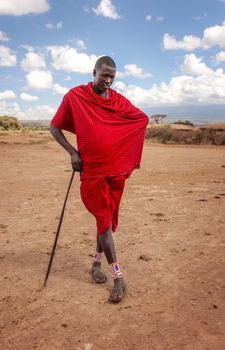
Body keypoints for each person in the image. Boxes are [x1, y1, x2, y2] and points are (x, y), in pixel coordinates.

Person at [50, 56, 149, 303]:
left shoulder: (118, 100)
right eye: (104, 75)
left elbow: (141, 119)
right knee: (104, 220)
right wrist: (73, 152)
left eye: (112, 77)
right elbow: (54, 127)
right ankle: (118, 276)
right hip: (92, 170)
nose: (108, 81)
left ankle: (96, 264)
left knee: (104, 219)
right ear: (94, 72)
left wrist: (122, 147)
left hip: (116, 171)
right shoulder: (76, 97)